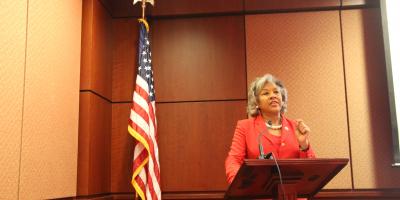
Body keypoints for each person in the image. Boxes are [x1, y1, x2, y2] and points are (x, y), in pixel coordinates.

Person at [225, 74, 316, 184]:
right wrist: (241, 183)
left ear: (282, 99)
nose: (273, 96)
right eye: (266, 93)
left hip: (293, 194)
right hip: (259, 193)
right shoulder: (245, 127)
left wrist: (304, 145)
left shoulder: (295, 127)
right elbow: (233, 160)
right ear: (257, 102)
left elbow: (312, 168)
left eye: (276, 92)